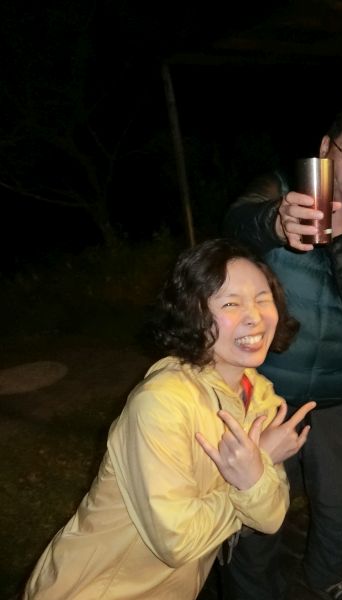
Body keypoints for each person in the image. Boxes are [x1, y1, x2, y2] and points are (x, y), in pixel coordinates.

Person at [23, 238, 312, 600]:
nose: (254, 316)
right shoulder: (162, 403)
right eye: (231, 303)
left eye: (262, 298)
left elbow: (269, 518)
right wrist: (260, 463)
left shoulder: (262, 398)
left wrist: (254, 476)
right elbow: (176, 542)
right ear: (194, 314)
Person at [223, 109, 342, 600]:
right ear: (325, 148)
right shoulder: (280, 189)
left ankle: (326, 578)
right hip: (265, 389)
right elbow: (236, 223)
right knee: (256, 505)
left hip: (332, 395)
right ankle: (251, 592)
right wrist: (276, 222)